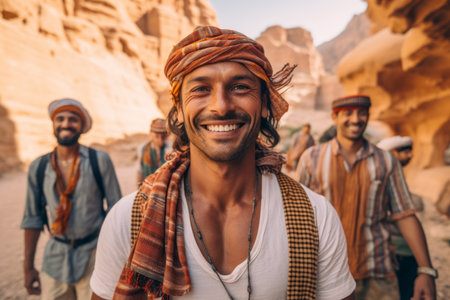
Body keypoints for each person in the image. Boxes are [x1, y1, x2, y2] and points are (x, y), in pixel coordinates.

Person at [90, 26, 356, 300]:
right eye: (201, 89)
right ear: (179, 109)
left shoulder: (315, 217)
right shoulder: (127, 220)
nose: (221, 106)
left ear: (265, 103)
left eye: (240, 87)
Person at [295, 95, 437, 300]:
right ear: (335, 117)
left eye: (362, 113)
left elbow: (405, 214)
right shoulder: (311, 158)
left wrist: (426, 270)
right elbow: (297, 216)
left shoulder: (386, 161)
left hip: (377, 274)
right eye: (348, 113)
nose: (356, 119)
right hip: (325, 276)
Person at [21, 98, 122, 299]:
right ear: (53, 124)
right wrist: (28, 266)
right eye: (60, 119)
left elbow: (116, 211)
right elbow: (32, 219)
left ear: (82, 127)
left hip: (95, 257)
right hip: (55, 258)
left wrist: (119, 260)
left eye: (72, 119)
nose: (65, 124)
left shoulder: (99, 160)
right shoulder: (38, 167)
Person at [377, 136, 425, 300]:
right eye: (405, 152)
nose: (410, 156)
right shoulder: (379, 178)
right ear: (391, 154)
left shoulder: (399, 175)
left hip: (409, 251)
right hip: (390, 252)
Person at [136, 118, 170, 186]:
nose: (160, 140)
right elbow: (140, 171)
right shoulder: (143, 149)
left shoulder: (169, 148)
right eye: (157, 136)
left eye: (163, 137)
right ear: (151, 134)